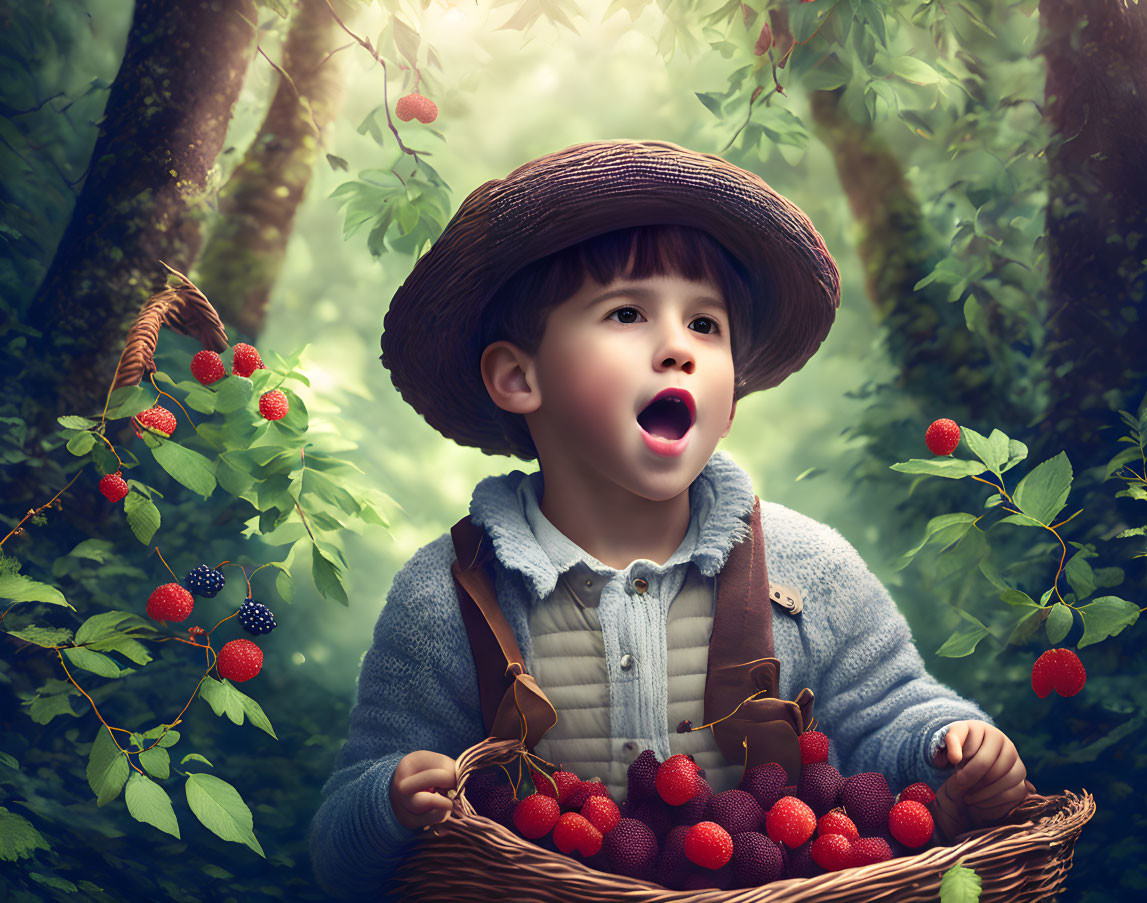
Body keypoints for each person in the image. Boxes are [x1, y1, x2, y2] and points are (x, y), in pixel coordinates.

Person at [308, 139, 1032, 900]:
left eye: (706, 325)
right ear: (519, 377)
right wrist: (386, 800)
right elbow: (340, 852)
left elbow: (886, 713)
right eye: (626, 312)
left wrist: (949, 744)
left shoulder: (805, 568)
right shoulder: (448, 598)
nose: (678, 348)